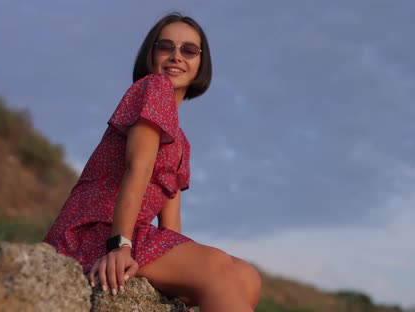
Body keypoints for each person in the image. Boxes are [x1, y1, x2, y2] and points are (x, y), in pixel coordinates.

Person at [44, 12, 261, 311]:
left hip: (138, 236)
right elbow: (139, 169)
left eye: (188, 50)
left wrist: (186, 271)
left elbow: (171, 226)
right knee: (216, 265)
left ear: (200, 65)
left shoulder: (182, 142)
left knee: (247, 277)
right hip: (93, 231)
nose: (176, 56)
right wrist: (119, 246)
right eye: (165, 47)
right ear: (151, 54)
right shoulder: (153, 88)